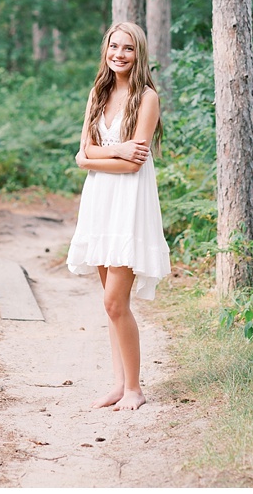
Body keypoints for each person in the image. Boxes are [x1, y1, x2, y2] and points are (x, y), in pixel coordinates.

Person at [66, 21, 171, 411]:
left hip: (129, 204)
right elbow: (80, 155)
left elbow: (132, 167)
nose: (119, 54)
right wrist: (119, 151)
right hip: (99, 201)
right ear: (105, 50)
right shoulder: (99, 92)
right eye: (114, 47)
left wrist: (105, 156)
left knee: (115, 301)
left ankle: (135, 389)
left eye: (127, 48)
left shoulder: (146, 99)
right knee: (111, 304)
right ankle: (118, 384)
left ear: (138, 53)